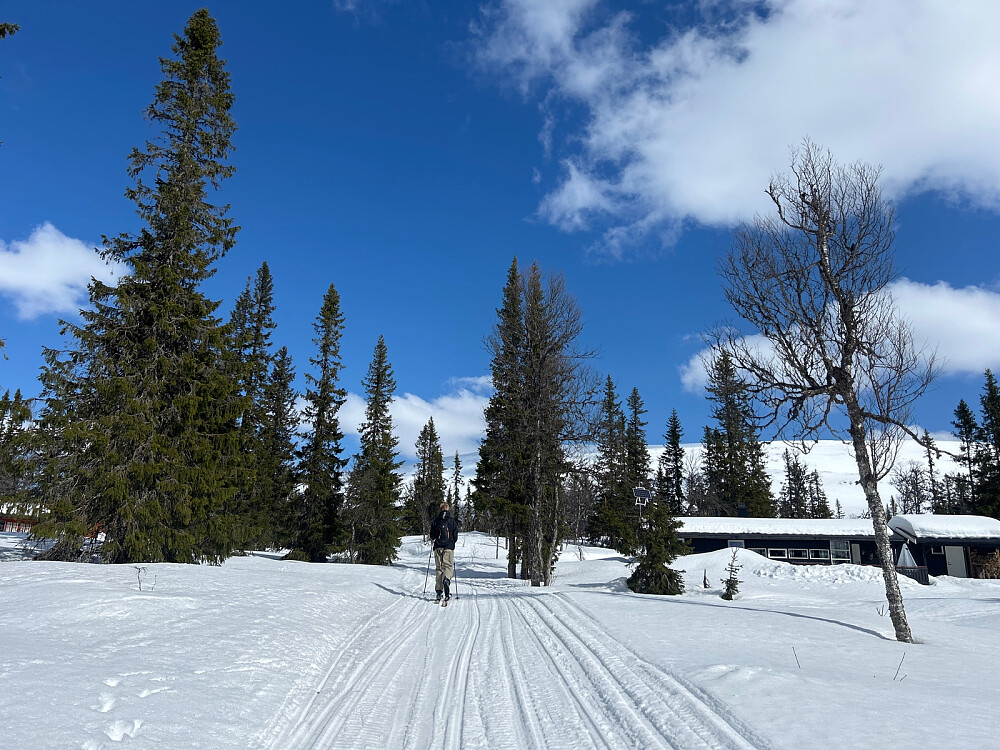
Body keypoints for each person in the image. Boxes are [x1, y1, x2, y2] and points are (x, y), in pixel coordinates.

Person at [429, 501, 458, 602]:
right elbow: (455, 536)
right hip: (448, 547)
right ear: (448, 509)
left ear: (440, 509)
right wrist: (452, 543)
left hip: (438, 547)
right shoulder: (452, 521)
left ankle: (438, 592)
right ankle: (447, 580)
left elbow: (432, 536)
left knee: (439, 568)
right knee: (448, 566)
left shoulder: (436, 521)